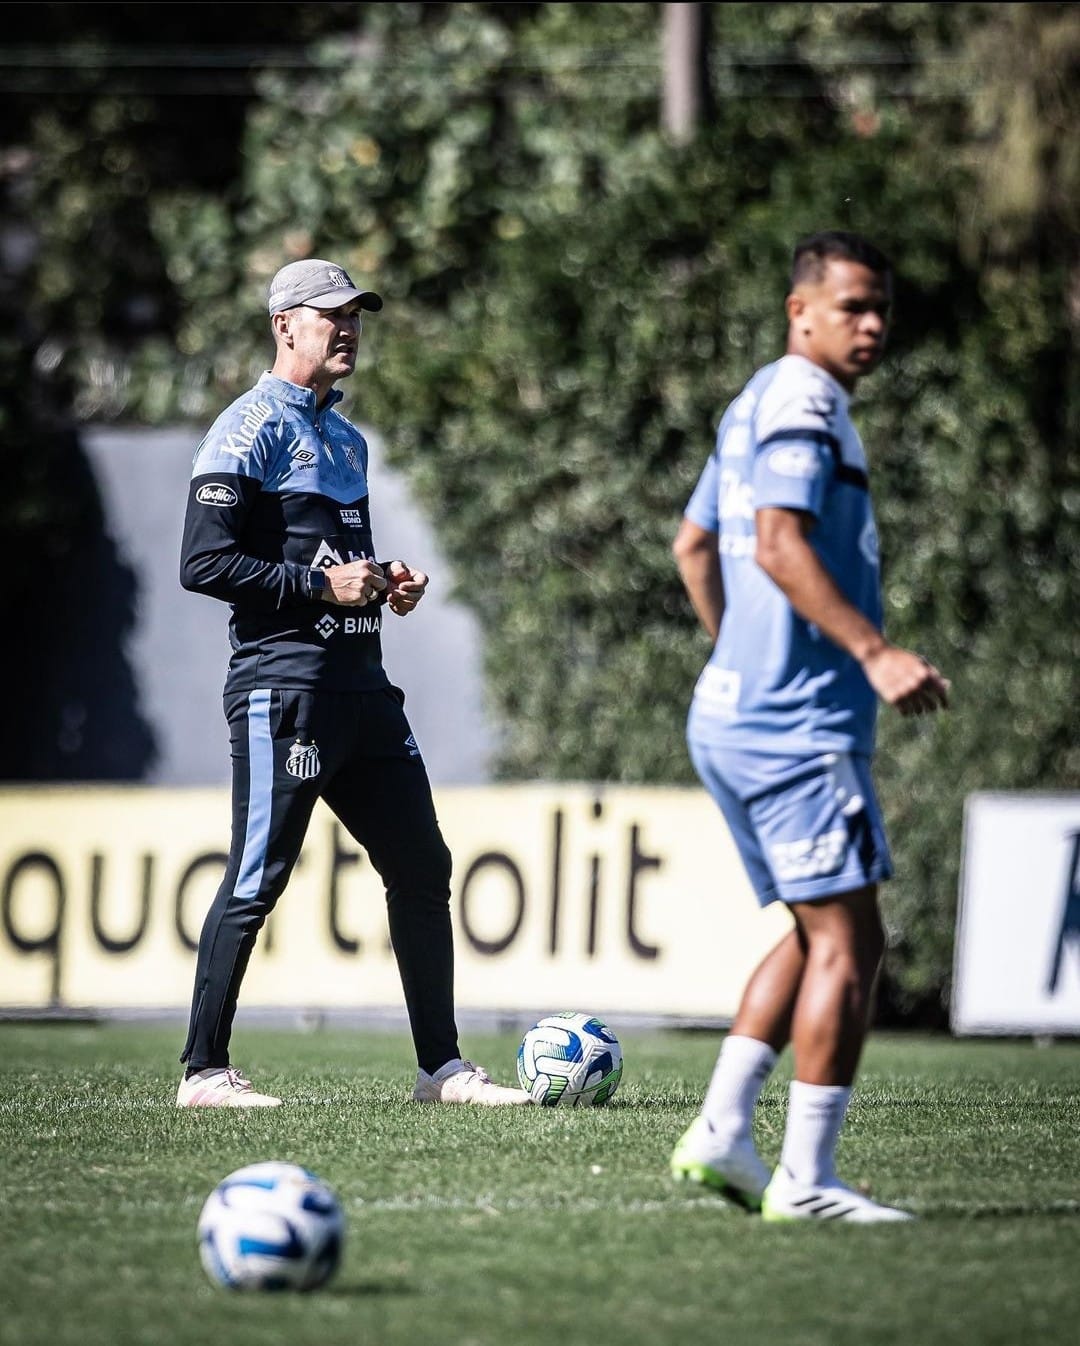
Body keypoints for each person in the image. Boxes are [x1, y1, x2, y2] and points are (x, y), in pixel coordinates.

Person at [175, 257, 529, 1108]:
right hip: (284, 689)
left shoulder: (346, 438)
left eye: (355, 314)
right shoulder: (244, 428)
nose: (348, 327)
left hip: (364, 690)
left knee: (422, 864)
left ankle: (440, 1069)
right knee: (258, 874)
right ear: (283, 325)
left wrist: (382, 579)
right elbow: (203, 561)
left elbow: (326, 560)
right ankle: (203, 1072)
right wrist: (317, 587)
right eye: (330, 314)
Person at [668, 231, 949, 1221]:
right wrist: (873, 652)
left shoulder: (753, 401)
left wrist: (733, 653)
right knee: (850, 942)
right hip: (797, 726)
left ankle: (720, 1130)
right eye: (853, 306)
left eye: (882, 309)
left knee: (814, 923)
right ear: (802, 311)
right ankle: (808, 1179)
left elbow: (694, 542)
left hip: (738, 715)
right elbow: (779, 541)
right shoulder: (804, 400)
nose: (872, 325)